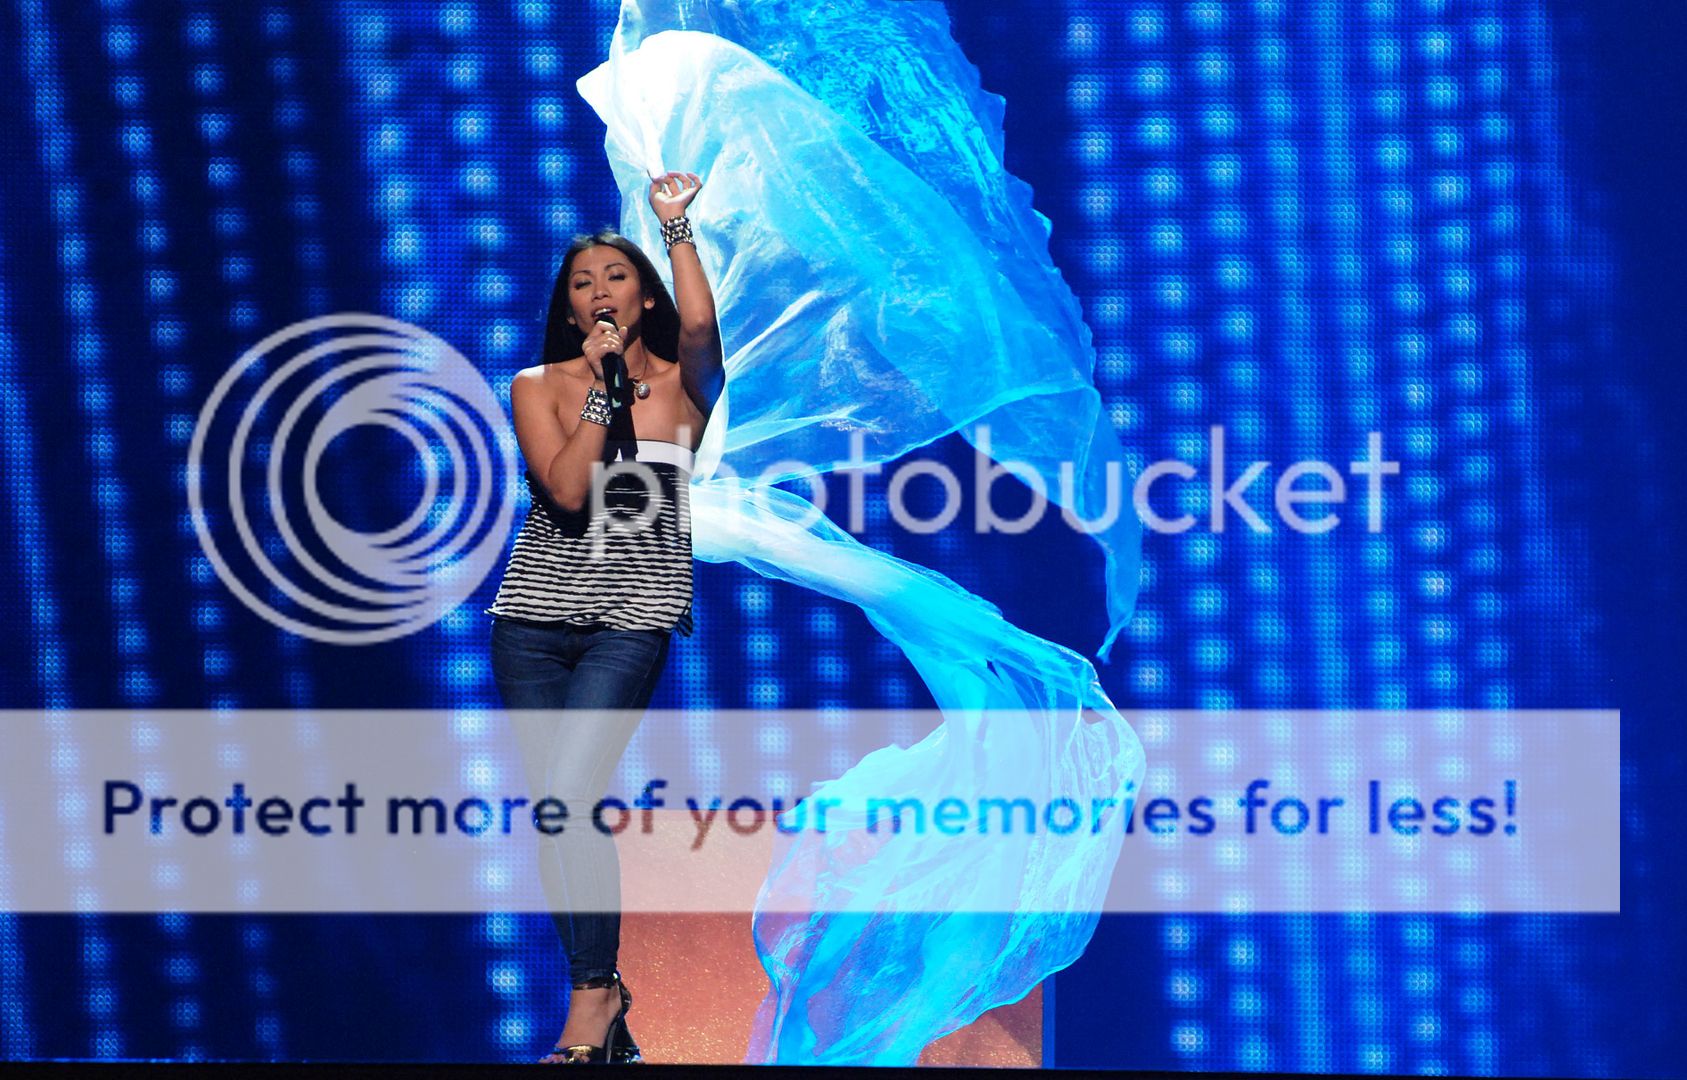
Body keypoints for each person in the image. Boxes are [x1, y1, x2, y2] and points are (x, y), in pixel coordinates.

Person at [487, 170, 722, 1065]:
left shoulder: (687, 386)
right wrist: (600, 391)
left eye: (615, 277)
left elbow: (699, 328)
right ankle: (601, 994)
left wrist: (675, 226)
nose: (598, 291)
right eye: (582, 282)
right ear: (568, 308)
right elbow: (565, 487)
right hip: (533, 620)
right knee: (557, 808)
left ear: (644, 296)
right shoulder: (537, 384)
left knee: (570, 789)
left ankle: (592, 999)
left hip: (632, 616)